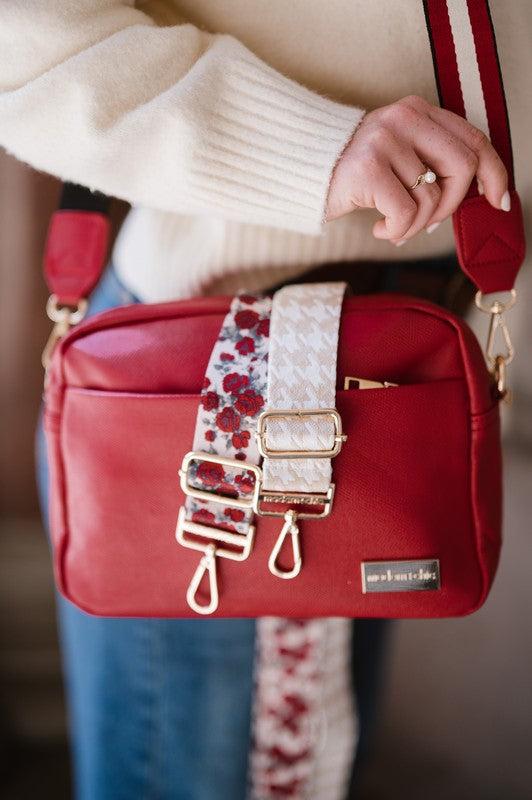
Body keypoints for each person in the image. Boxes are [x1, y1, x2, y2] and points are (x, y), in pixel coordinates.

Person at [1, 2, 530, 799]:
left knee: (323, 768)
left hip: (404, 360)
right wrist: (315, 146)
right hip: (196, 372)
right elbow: (24, 46)